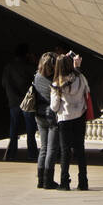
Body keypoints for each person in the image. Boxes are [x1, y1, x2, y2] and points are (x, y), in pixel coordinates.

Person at [49, 52, 90, 190]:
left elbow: (54, 106)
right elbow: (87, 91)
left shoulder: (56, 84)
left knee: (65, 150)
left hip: (65, 118)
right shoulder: (80, 78)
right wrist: (77, 67)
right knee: (80, 149)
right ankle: (83, 181)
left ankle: (64, 182)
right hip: (80, 116)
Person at [1, 43, 38, 162]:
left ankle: (11, 153)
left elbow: (4, 83)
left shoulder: (8, 67)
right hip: (26, 102)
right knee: (30, 130)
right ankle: (32, 153)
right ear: (26, 54)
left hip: (13, 101)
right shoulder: (27, 66)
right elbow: (38, 77)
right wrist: (34, 62)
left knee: (14, 129)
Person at [33, 52, 61, 189]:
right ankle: (48, 180)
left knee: (43, 148)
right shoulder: (55, 80)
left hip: (39, 114)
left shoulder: (37, 77)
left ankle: (40, 179)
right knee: (51, 148)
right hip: (51, 116)